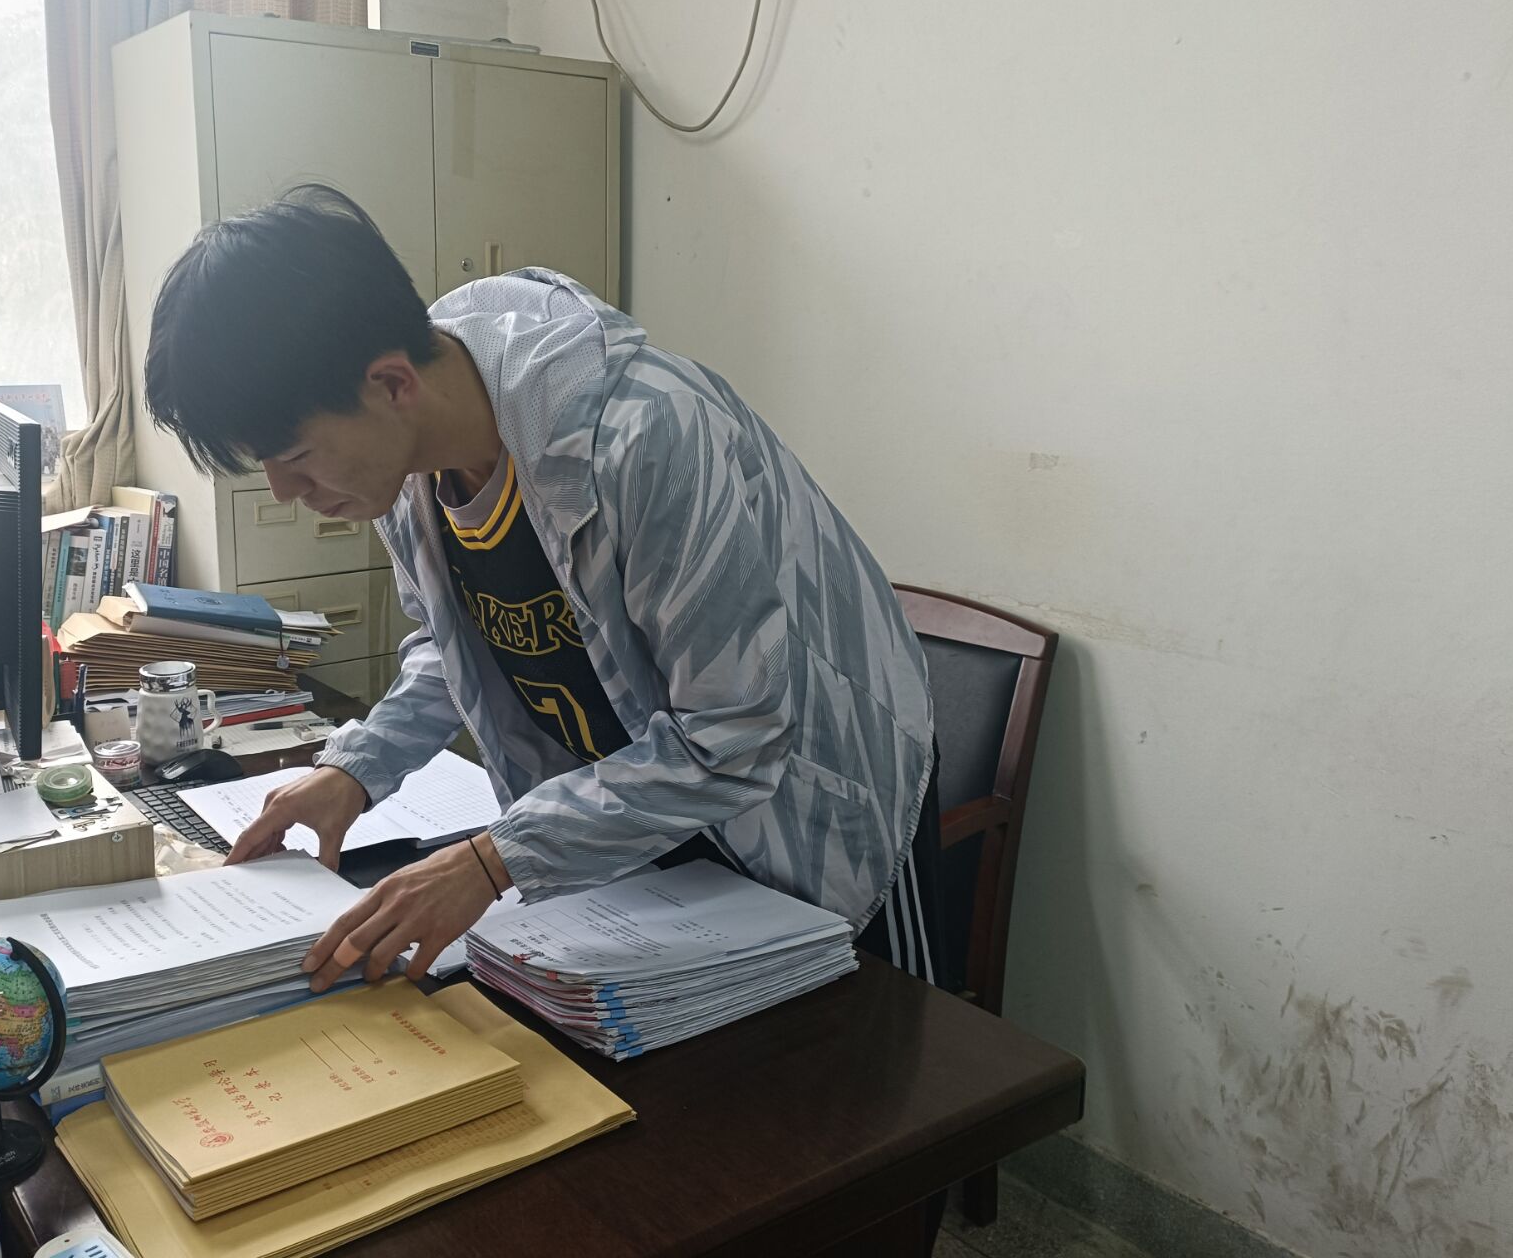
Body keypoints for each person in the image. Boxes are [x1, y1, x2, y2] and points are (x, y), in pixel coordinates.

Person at [143, 186, 945, 999]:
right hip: (642, 820)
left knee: (876, 1050)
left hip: (812, 799)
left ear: (391, 384)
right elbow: (454, 645)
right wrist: (356, 769)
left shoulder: (643, 436)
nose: (285, 491)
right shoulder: (407, 464)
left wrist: (494, 860)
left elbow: (734, 732)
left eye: (294, 456)